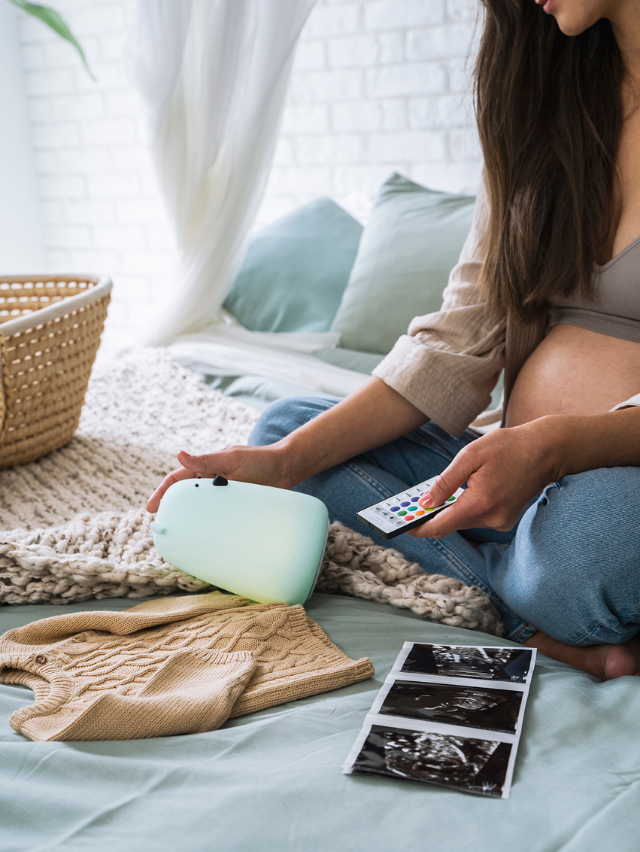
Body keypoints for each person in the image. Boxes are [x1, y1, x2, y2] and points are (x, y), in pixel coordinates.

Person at [148, 0, 640, 680]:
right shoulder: (547, 103)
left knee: (604, 539)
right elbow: (456, 338)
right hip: (509, 473)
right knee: (288, 429)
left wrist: (555, 445)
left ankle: (520, 583)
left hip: (610, 488)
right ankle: (520, 598)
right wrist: (288, 461)